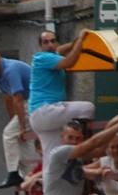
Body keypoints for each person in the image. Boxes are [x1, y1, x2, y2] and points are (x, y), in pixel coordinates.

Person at [28, 28, 93, 160]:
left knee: (51, 157)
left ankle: (49, 180)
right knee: (88, 108)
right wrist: (80, 39)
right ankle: (85, 147)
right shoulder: (42, 57)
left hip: (40, 117)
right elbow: (69, 62)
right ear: (40, 46)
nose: (50, 44)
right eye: (45, 42)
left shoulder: (52, 55)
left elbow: (60, 50)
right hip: (46, 111)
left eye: (53, 41)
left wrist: (76, 42)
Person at [0, 47, 32, 188]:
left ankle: (13, 173)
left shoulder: (10, 70)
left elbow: (18, 99)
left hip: (35, 101)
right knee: (18, 137)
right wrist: (14, 120)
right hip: (26, 103)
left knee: (9, 134)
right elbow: (7, 99)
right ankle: (28, 174)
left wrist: (21, 125)